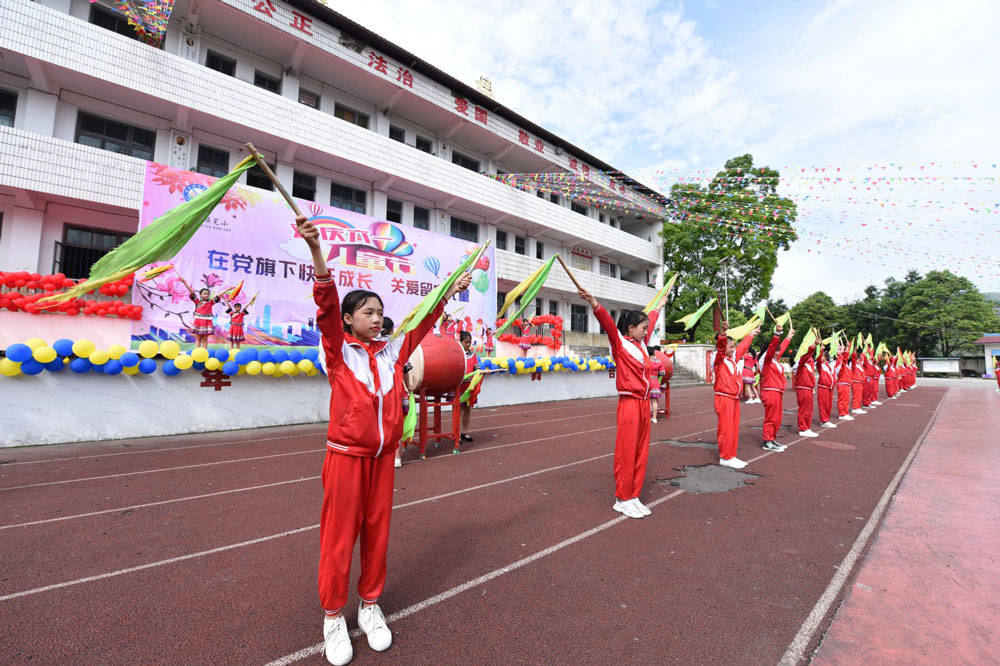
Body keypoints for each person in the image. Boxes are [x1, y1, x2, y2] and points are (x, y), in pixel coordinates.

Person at [297, 213, 473, 666]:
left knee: (377, 535)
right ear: (349, 319)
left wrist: (450, 293)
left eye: (379, 313)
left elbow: (423, 319)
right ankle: (333, 616)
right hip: (345, 458)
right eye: (368, 313)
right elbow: (325, 303)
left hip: (382, 461)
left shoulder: (394, 352)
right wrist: (318, 251)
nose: (377, 319)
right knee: (339, 539)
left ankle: (369, 607)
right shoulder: (338, 353)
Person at [577, 286, 658, 519]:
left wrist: (659, 304)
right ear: (630, 329)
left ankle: (633, 495)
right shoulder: (621, 345)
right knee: (627, 451)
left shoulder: (641, 345)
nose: (646, 332)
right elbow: (609, 326)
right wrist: (594, 302)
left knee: (641, 452)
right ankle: (622, 498)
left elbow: (650, 316)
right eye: (643, 328)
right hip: (629, 403)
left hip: (643, 404)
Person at [713, 321, 761, 469]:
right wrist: (722, 334)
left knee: (733, 428)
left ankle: (731, 455)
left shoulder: (732, 359)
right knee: (726, 428)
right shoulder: (719, 361)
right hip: (724, 397)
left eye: (734, 346)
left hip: (733, 398)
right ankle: (725, 457)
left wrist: (752, 334)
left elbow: (742, 347)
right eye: (731, 347)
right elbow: (721, 349)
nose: (734, 350)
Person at [760, 324, 794, 451]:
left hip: (777, 392)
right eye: (776, 350)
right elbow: (772, 349)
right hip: (770, 392)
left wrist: (789, 337)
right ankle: (767, 441)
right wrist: (777, 334)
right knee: (771, 417)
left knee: (777, 418)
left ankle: (772, 438)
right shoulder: (766, 361)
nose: (778, 352)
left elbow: (781, 348)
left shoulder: (774, 360)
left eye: (778, 351)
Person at [179, 278, 220, 348]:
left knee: (205, 339)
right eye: (204, 294)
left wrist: (227, 290)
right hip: (198, 322)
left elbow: (219, 296)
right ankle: (197, 352)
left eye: (208, 294)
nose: (206, 295)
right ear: (200, 295)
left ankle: (204, 352)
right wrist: (185, 283)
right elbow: (191, 292)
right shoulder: (197, 302)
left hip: (207, 322)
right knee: (198, 339)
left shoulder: (211, 302)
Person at [458, 330, 479, 445]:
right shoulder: (458, 354)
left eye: (469, 342)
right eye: (466, 342)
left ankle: (464, 431)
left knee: (467, 410)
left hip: (469, 387)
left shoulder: (473, 354)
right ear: (460, 342)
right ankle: (456, 433)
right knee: (458, 411)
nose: (468, 344)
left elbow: (476, 368)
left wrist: (479, 373)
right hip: (460, 388)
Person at [793, 341, 819, 437]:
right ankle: (803, 428)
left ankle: (807, 427)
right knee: (804, 409)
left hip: (808, 388)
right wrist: (813, 346)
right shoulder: (801, 364)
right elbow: (804, 358)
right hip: (803, 388)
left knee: (809, 409)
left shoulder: (808, 364)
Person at [816, 343, 838, 428]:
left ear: (826, 357)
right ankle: (823, 421)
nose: (821, 357)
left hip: (830, 388)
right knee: (823, 404)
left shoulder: (829, 365)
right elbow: (818, 360)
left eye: (823, 356)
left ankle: (826, 420)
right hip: (823, 388)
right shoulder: (820, 366)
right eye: (821, 356)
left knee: (828, 405)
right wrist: (820, 350)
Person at [835, 346, 854, 421]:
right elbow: (842, 364)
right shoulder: (840, 361)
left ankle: (845, 413)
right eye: (840, 350)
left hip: (846, 383)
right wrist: (844, 351)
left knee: (846, 400)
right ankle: (842, 414)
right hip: (842, 383)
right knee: (842, 400)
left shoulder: (844, 363)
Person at [646, 346, 664, 423]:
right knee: (654, 401)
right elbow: (662, 373)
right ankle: (654, 418)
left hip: (647, 382)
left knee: (647, 400)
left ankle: (647, 417)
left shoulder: (645, 360)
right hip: (655, 381)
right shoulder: (659, 361)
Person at [850, 349, 867, 415]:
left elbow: (862, 358)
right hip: (855, 382)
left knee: (859, 396)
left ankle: (858, 407)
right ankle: (855, 408)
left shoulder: (860, 365)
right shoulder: (854, 365)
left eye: (860, 359)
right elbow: (853, 360)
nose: (859, 360)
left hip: (860, 383)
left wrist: (864, 353)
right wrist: (854, 354)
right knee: (856, 395)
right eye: (858, 359)